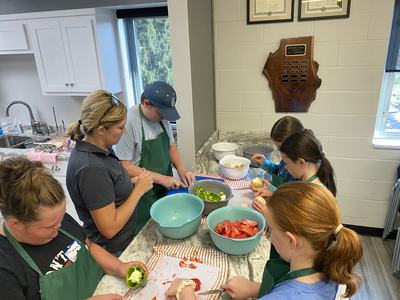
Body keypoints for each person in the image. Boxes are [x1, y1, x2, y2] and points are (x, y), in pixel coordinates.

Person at [165, 182, 363, 300]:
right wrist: (255, 288)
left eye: (270, 229)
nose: (267, 235)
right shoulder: (332, 265)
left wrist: (185, 291)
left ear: (291, 240)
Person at [0, 157, 148, 300]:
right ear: (16, 224)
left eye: (60, 219)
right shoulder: (6, 267)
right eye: (50, 226)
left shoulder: (57, 221)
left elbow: (88, 246)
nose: (58, 227)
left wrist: (119, 267)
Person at [66, 90, 153, 255]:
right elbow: (109, 229)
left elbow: (109, 187)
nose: (124, 131)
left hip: (126, 240)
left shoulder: (102, 149)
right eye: (120, 127)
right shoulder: (91, 168)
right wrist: (138, 191)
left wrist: (130, 183)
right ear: (101, 129)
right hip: (113, 250)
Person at [114, 81, 195, 235]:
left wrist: (182, 169)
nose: (164, 117)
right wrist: (161, 178)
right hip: (143, 193)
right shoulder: (129, 122)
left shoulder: (161, 118)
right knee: (149, 234)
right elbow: (123, 165)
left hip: (165, 187)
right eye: (161, 113)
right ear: (146, 103)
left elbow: (171, 146)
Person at [252, 129, 336, 212]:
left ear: (301, 162)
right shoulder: (306, 182)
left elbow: (292, 223)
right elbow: (292, 201)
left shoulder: (313, 195)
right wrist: (274, 192)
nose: (284, 167)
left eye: (286, 163)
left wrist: (266, 213)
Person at [251, 116, 304, 188]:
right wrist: (265, 163)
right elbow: (279, 171)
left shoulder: (299, 169)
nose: (278, 149)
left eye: (280, 146)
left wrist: (272, 190)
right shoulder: (287, 157)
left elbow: (291, 195)